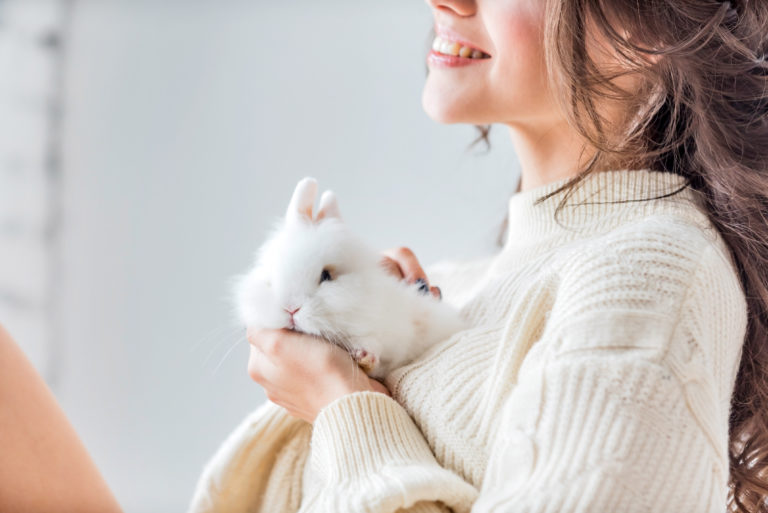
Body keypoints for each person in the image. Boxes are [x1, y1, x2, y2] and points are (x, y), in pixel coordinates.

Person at [2, 0, 766, 512]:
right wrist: (401, 353)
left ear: (647, 27)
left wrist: (345, 405)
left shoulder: (654, 270)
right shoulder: (473, 283)